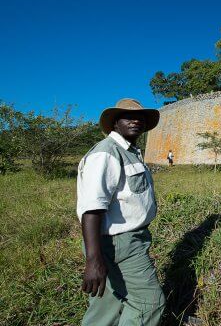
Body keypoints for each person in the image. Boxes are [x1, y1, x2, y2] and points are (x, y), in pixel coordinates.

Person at [76, 98, 165, 326]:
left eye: (140, 117)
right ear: (115, 123)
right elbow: (92, 209)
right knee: (149, 302)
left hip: (122, 241)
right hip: (119, 243)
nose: (136, 120)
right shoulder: (106, 153)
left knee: (107, 307)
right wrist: (93, 260)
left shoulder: (130, 152)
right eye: (128, 116)